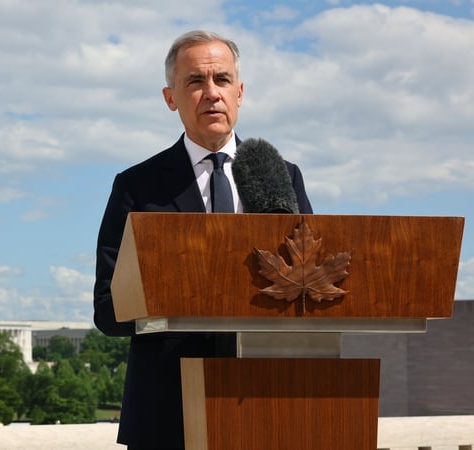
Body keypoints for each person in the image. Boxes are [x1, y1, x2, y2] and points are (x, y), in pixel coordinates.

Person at [93, 30, 313, 449]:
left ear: (240, 92)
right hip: (168, 414)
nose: (211, 93)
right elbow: (108, 309)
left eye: (222, 80)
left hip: (271, 403)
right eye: (195, 81)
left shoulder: (283, 177)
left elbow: (311, 290)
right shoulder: (137, 187)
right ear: (170, 97)